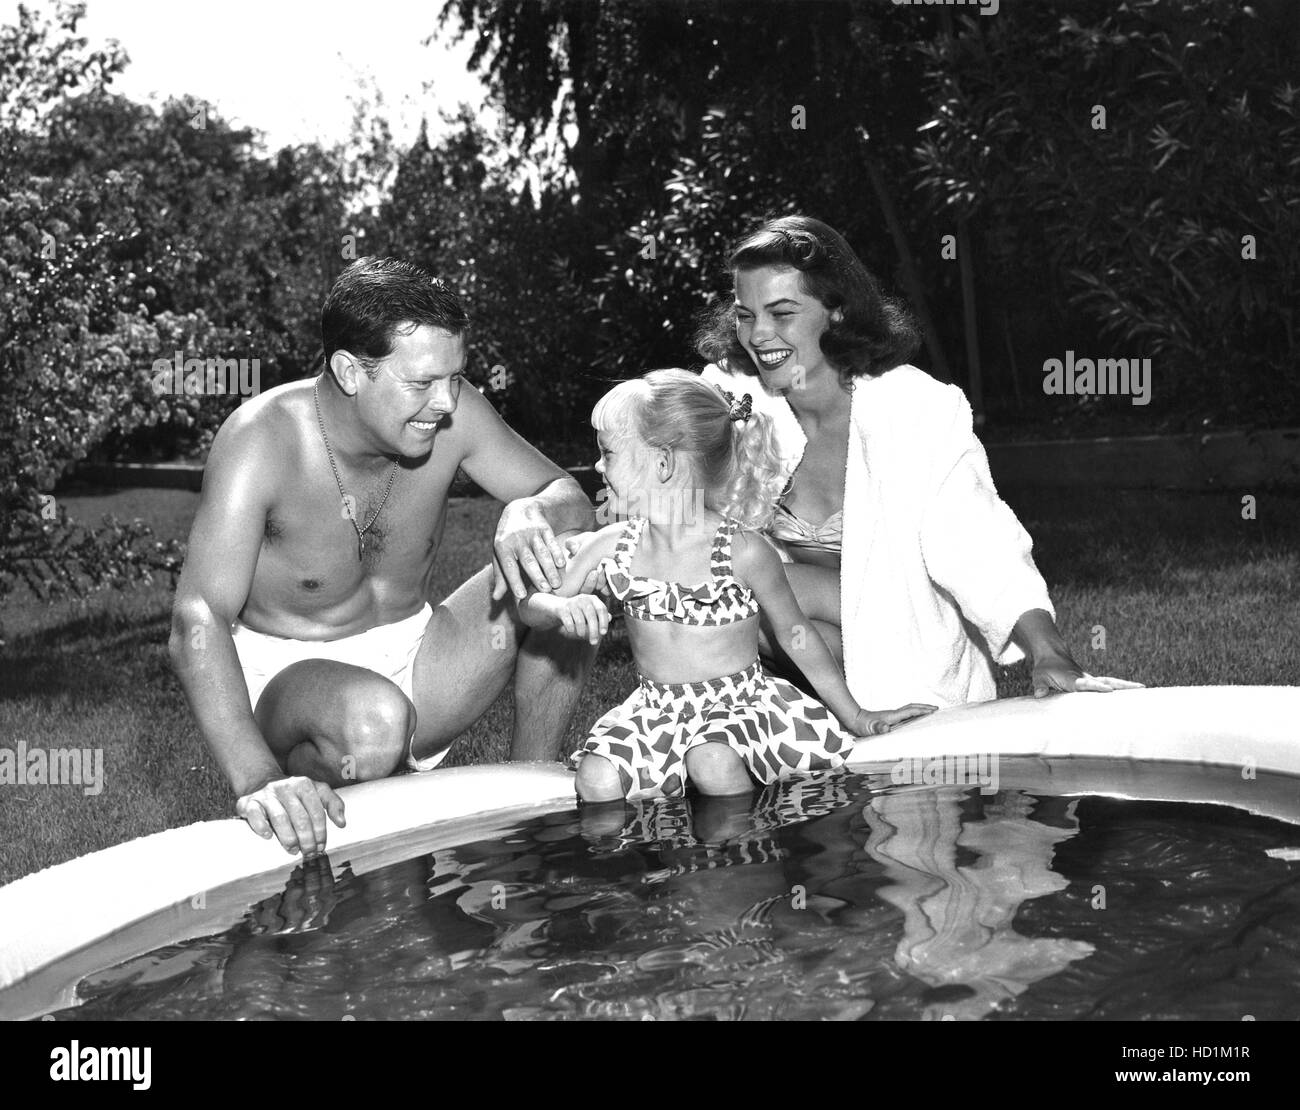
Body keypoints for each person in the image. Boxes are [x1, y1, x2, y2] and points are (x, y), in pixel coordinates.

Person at [169, 257, 596, 857]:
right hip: (296, 686)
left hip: (423, 660)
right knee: (374, 723)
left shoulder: (454, 412)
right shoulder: (262, 439)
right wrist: (257, 777)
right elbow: (197, 616)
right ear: (350, 371)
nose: (446, 402)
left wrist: (532, 510)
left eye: (455, 377)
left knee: (572, 560)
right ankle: (350, 822)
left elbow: (570, 500)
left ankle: (531, 802)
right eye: (421, 384)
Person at [695, 215, 1142, 710]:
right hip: (784, 634)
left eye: (782, 313)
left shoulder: (916, 409)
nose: (759, 335)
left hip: (900, 646)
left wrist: (1049, 653)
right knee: (719, 577)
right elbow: (670, 502)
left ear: (837, 311)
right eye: (745, 315)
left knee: (745, 583)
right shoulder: (732, 396)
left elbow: (979, 541)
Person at [515, 370, 935, 802]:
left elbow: (796, 634)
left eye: (608, 452)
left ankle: (749, 838)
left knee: (711, 761)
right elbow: (530, 606)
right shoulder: (615, 546)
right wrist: (558, 608)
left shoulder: (742, 552)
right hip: (657, 711)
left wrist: (856, 716)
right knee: (595, 779)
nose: (598, 466)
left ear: (663, 464)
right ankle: (661, 837)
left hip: (741, 707)